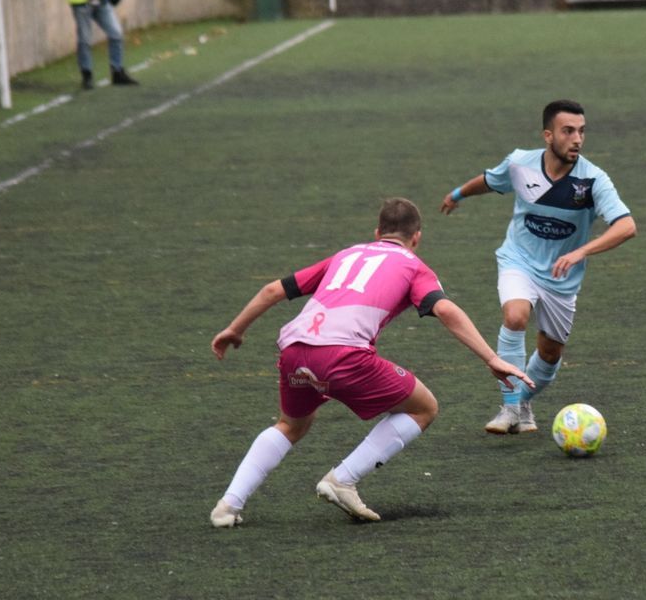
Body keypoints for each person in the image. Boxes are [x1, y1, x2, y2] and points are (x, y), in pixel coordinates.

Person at [208, 198, 532, 527]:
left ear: (377, 233)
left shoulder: (346, 254)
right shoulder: (414, 266)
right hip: (343, 355)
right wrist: (491, 358)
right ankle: (342, 479)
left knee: (291, 425)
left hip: (294, 348)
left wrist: (235, 329)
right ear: (417, 237)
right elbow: (445, 310)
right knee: (424, 408)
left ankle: (228, 505)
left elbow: (271, 291)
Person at [439, 100, 637, 435]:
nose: (577, 139)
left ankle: (523, 402)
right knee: (515, 316)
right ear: (548, 135)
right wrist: (457, 193)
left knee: (549, 353)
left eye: (581, 131)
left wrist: (580, 253)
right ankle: (510, 407)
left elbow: (626, 226)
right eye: (568, 131)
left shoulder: (592, 180)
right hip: (518, 259)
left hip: (561, 278)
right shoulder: (520, 163)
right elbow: (490, 180)